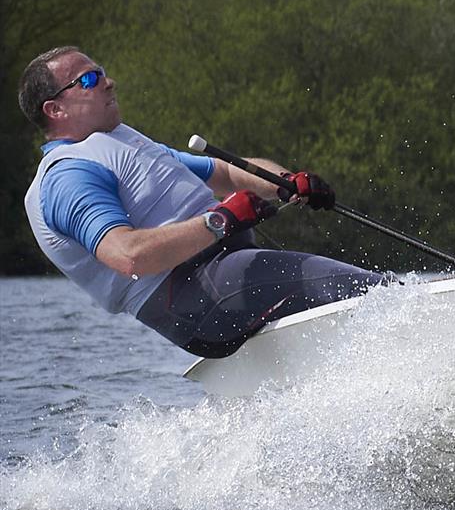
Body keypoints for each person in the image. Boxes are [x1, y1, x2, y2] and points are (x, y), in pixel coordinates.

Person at [20, 46, 384, 357]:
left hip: (222, 278)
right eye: (89, 80)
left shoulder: (118, 144)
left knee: (352, 293)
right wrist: (219, 220)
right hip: (191, 294)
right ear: (55, 110)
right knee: (379, 295)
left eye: (100, 72)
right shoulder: (68, 177)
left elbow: (226, 173)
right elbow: (127, 255)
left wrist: (283, 182)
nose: (108, 81)